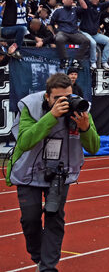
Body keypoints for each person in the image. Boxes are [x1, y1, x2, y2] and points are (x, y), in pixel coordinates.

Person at [5, 73, 100, 271]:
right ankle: (39, 257)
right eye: (58, 98)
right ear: (47, 96)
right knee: (30, 219)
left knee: (54, 217)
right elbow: (24, 142)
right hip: (29, 171)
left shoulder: (79, 108)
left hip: (60, 170)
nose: (65, 102)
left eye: (68, 96)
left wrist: (85, 129)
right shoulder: (31, 106)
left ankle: (48, 267)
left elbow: (93, 147)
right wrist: (51, 116)